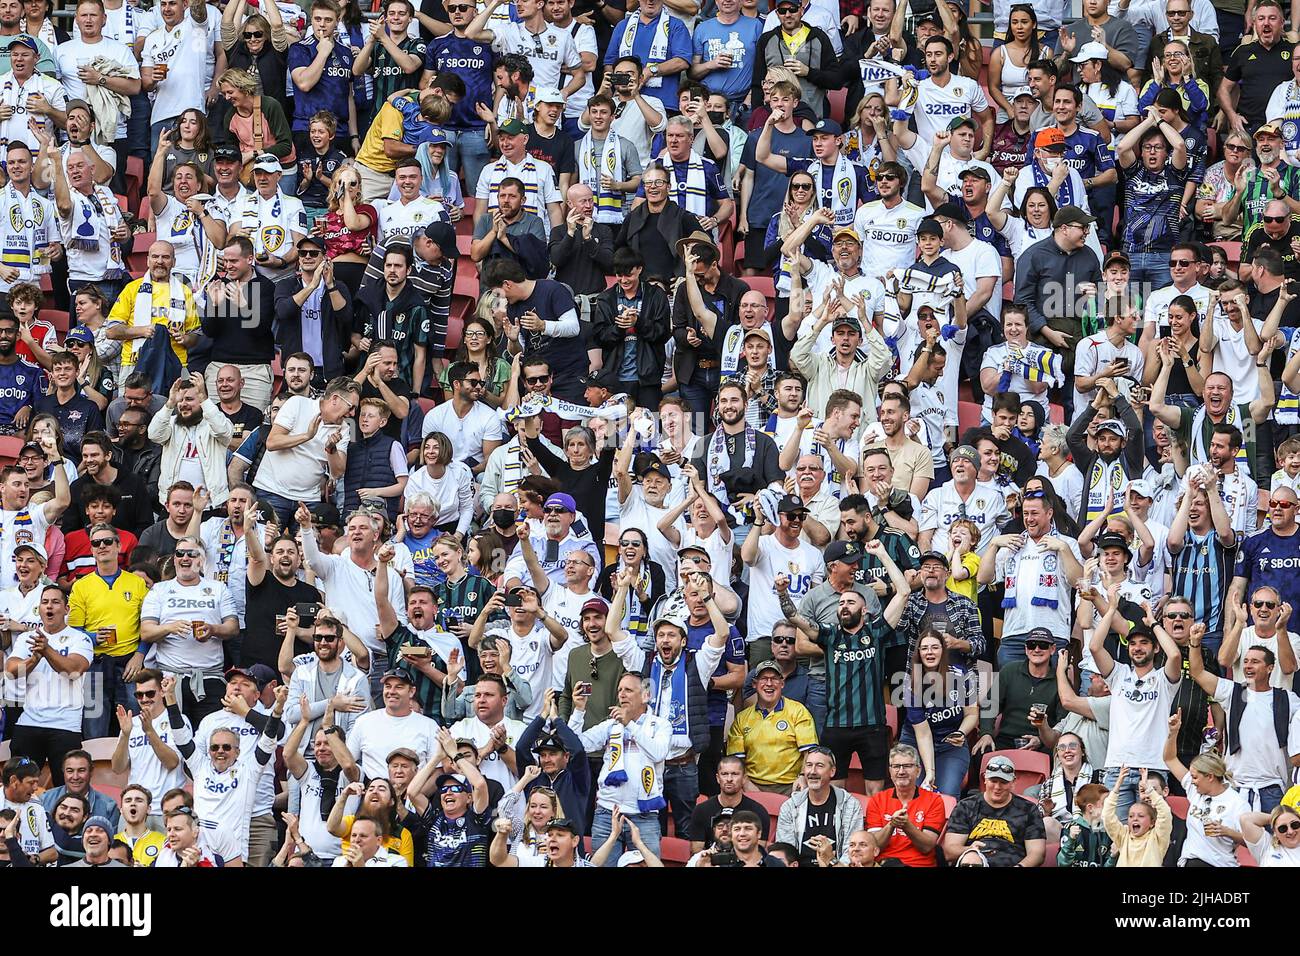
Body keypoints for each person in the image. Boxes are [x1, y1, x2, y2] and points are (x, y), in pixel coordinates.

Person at [4, 584, 92, 786]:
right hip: (29, 722)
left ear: (66, 609)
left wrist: (47, 649)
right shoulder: (28, 638)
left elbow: (73, 671)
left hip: (65, 726)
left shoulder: (81, 638)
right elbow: (11, 670)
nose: (49, 606)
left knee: (67, 787)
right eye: (45, 602)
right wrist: (34, 659)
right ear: (40, 608)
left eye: (55, 602)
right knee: (18, 784)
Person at [68, 521, 148, 739]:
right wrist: (92, 637)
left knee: (136, 722)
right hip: (95, 663)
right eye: (96, 543)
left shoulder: (137, 583)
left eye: (107, 541)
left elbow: (148, 626)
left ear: (118, 546)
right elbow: (73, 630)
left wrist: (140, 655)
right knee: (94, 725)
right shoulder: (81, 586)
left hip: (130, 662)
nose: (102, 546)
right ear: (92, 549)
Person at [146, 373, 234, 512]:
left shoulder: (213, 423)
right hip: (174, 506)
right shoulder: (171, 423)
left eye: (189, 399)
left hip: (208, 506)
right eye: (180, 400)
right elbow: (154, 434)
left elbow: (224, 432)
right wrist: (170, 404)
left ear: (201, 400)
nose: (183, 404)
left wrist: (205, 399)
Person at [109, 669, 186, 825]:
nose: (144, 699)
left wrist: (150, 731)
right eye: (139, 695)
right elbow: (117, 768)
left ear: (162, 692)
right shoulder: (132, 723)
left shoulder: (177, 720)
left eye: (150, 694)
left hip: (166, 811)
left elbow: (172, 763)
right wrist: (124, 734)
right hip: (135, 810)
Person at [942, 754, 1047, 866]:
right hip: (975, 861)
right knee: (971, 859)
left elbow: (1037, 853)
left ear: (1013, 782)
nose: (997, 787)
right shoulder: (966, 806)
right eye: (993, 781)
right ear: (985, 779)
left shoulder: (1028, 809)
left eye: (1003, 782)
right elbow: (949, 851)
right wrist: (970, 849)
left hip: (1013, 863)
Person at [773, 747, 863, 866]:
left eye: (819, 766)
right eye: (809, 765)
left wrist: (831, 860)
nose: (812, 771)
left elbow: (852, 851)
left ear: (832, 771)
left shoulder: (850, 805)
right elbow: (785, 851)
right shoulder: (790, 806)